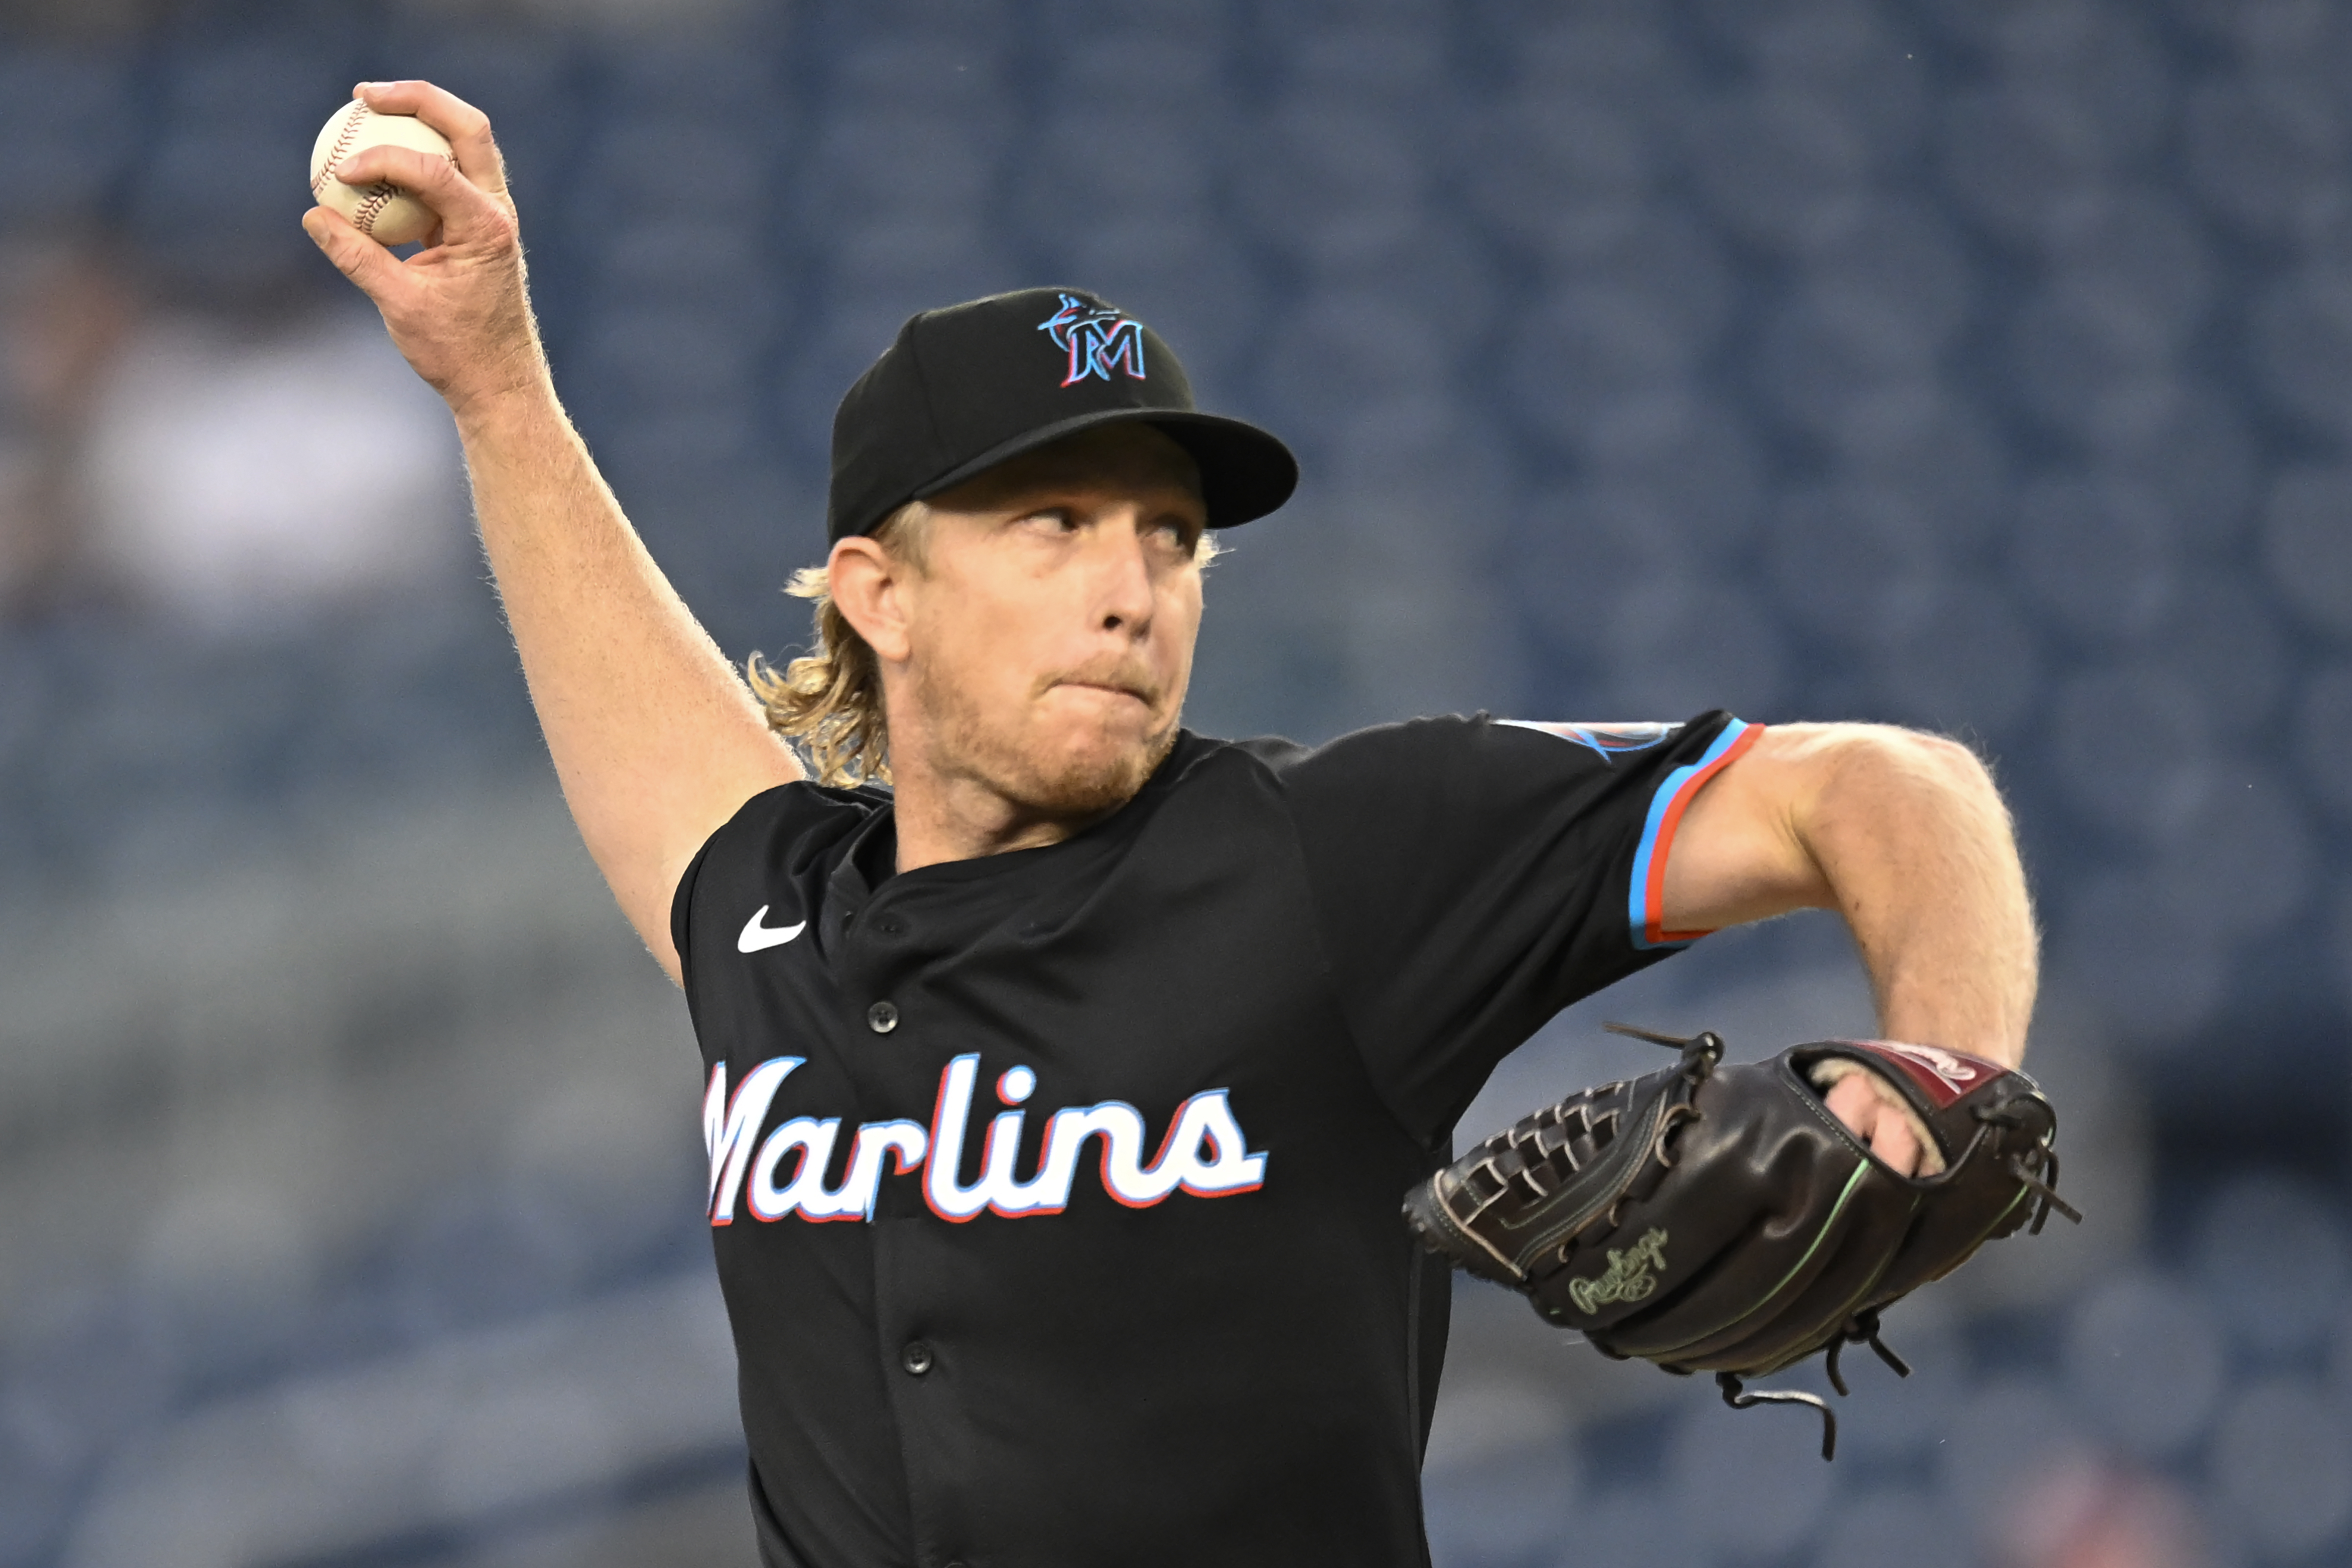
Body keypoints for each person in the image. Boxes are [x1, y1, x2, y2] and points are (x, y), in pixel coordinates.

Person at [306, 82, 2038, 1568]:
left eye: (1169, 537)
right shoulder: (774, 916)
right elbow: (645, 720)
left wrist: (1945, 1067)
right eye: (1053, 521)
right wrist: (494, 383)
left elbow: (1882, 786)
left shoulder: (1341, 852)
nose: (1131, 590)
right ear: (876, 596)